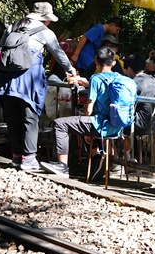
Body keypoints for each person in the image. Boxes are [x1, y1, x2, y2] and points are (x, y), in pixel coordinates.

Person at [0, 2, 82, 171]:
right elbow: (59, 53)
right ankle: (29, 159)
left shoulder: (13, 26)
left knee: (13, 118)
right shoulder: (45, 32)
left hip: (6, 79)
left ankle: (16, 156)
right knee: (30, 117)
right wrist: (71, 71)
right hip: (29, 79)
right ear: (45, 18)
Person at [41, 46, 133, 176]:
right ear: (114, 63)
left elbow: (89, 109)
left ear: (96, 61)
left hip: (99, 125)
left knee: (60, 124)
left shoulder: (96, 79)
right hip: (117, 127)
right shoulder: (119, 78)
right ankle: (99, 163)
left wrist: (86, 133)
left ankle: (63, 166)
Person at [125, 53, 155, 138]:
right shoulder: (153, 80)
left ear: (129, 68)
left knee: (114, 121)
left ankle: (125, 150)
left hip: (140, 126)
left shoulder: (133, 83)